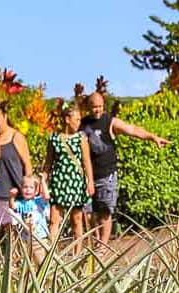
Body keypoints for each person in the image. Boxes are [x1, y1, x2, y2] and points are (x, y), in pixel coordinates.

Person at [80, 89, 170, 246]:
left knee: (105, 212)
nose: (98, 110)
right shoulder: (83, 124)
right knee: (88, 214)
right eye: (94, 106)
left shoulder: (110, 121)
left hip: (106, 174)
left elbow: (133, 130)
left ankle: (103, 245)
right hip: (88, 176)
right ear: (88, 106)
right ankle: (94, 240)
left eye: (100, 106)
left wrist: (152, 137)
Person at [47, 100, 93, 253]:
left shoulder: (81, 138)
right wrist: (43, 179)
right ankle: (51, 254)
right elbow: (49, 161)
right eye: (77, 119)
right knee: (54, 219)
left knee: (77, 219)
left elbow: (87, 162)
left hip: (75, 181)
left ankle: (77, 253)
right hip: (59, 181)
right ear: (67, 119)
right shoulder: (54, 138)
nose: (79, 122)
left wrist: (90, 182)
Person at [0, 101, 33, 235]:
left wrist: (28, 189)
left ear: (5, 117)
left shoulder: (16, 137)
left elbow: (27, 165)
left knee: (13, 235)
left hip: (14, 194)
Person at [14, 172, 52, 244]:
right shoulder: (20, 203)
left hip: (40, 237)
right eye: (25, 187)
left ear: (36, 191)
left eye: (31, 187)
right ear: (21, 189)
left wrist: (42, 181)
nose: (28, 189)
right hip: (25, 238)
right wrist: (11, 197)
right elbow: (13, 206)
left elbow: (46, 196)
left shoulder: (38, 201)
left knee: (39, 255)